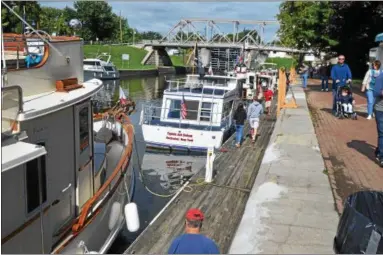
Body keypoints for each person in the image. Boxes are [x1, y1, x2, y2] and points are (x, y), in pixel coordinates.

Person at [373, 72, 383, 167]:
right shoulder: (381, 77)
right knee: (382, 133)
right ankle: (382, 156)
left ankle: (379, 149)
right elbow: (375, 92)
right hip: (380, 109)